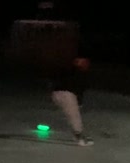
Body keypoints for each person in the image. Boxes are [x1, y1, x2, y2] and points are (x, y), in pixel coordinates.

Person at [36, 1, 94, 146]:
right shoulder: (53, 28)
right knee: (66, 95)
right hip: (62, 70)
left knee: (70, 93)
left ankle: (78, 132)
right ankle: (79, 135)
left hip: (67, 65)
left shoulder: (67, 27)